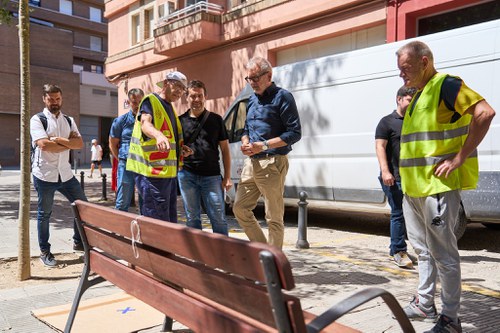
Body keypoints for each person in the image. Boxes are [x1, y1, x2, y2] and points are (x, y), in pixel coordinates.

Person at [396, 41, 495, 333]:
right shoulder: (418, 95)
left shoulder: (446, 85)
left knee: (444, 255)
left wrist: (460, 157)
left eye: (406, 68)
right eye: (399, 70)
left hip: (436, 188)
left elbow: (485, 113)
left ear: (424, 61)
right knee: (424, 252)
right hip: (414, 190)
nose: (401, 75)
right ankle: (425, 303)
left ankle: (451, 320)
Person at [232, 56, 302, 249]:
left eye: (255, 78)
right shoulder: (252, 99)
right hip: (251, 163)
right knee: (239, 208)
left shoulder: (283, 97)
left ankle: (274, 266)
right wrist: (246, 141)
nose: (252, 83)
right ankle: (265, 251)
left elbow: (294, 133)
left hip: (273, 162)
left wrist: (262, 145)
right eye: (249, 79)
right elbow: (246, 128)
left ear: (268, 75)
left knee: (274, 217)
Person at [30, 83, 87, 267]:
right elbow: (44, 145)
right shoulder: (37, 120)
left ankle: (78, 242)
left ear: (61, 99)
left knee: (82, 207)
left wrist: (61, 141)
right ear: (44, 99)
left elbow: (79, 144)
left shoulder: (69, 120)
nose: (55, 102)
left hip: (66, 174)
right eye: (51, 99)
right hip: (45, 174)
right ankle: (45, 252)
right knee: (44, 214)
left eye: (58, 99)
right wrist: (69, 143)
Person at [126, 71, 192, 222]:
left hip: (167, 175)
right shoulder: (151, 101)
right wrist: (158, 135)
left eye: (183, 90)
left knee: (168, 220)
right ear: (167, 83)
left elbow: (169, 140)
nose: (180, 92)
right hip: (151, 174)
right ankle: (153, 246)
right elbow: (145, 124)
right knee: (156, 221)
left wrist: (180, 151)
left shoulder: (170, 108)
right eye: (178, 87)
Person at [178, 80, 232, 235]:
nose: (197, 99)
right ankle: (197, 256)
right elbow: (175, 149)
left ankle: (222, 255)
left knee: (218, 217)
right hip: (187, 175)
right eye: (193, 96)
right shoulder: (180, 121)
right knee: (192, 218)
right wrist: (180, 151)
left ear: (205, 96)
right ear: (187, 98)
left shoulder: (216, 120)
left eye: (200, 96)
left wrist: (227, 177)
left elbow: (225, 150)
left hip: (212, 176)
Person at [375, 86, 417, 269]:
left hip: (413, 177)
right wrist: (385, 171)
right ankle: (399, 251)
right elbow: (380, 147)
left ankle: (397, 249)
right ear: (399, 99)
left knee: (412, 215)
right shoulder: (386, 122)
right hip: (394, 176)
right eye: (409, 99)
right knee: (398, 213)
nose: (412, 103)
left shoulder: (415, 120)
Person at [109, 88, 145, 211]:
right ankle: (119, 229)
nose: (138, 105)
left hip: (144, 164)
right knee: (122, 202)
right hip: (126, 164)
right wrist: (120, 160)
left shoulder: (148, 120)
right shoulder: (120, 121)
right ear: (129, 102)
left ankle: (144, 229)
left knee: (145, 202)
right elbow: (112, 144)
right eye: (134, 102)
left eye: (140, 101)